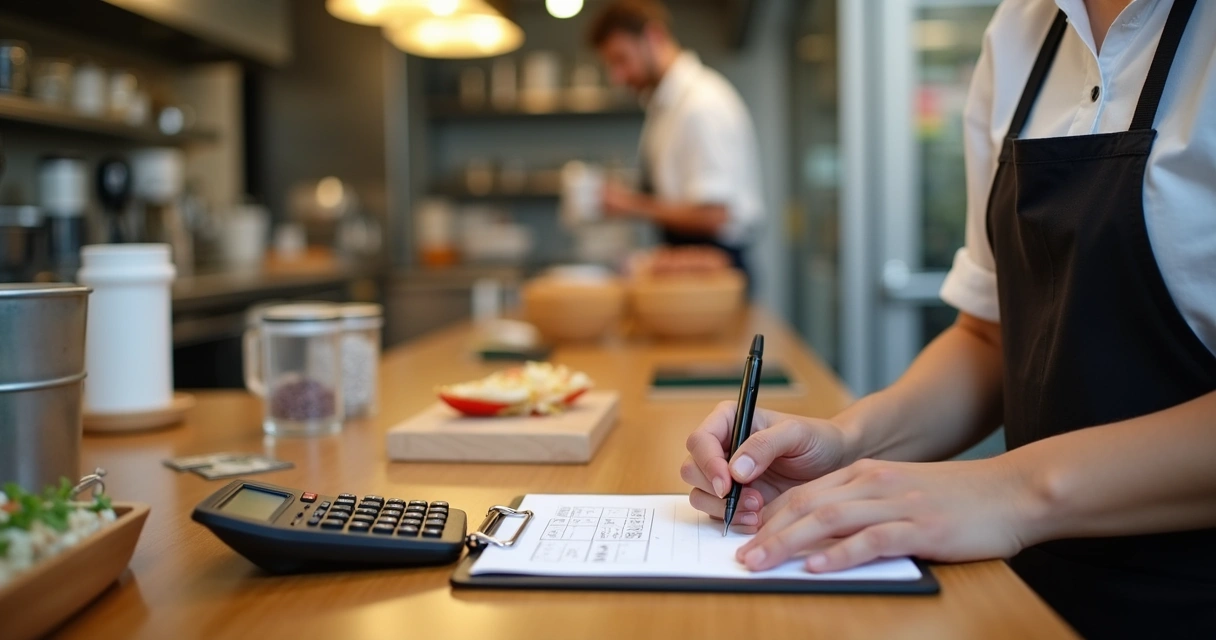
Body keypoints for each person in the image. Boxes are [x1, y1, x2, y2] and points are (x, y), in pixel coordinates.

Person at [681, 0, 1216, 636]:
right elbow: (990, 334)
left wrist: (1009, 492)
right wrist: (848, 444)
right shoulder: (1020, 30)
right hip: (1027, 591)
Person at [588, 0, 763, 282]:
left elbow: (714, 214)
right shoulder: (665, 108)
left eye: (622, 60)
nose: (618, 77)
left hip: (714, 267)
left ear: (653, 37)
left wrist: (629, 204)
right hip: (685, 261)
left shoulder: (701, 104)